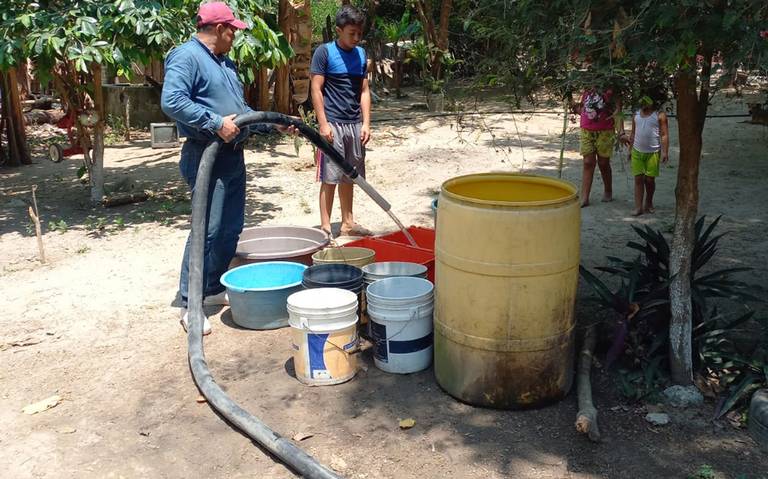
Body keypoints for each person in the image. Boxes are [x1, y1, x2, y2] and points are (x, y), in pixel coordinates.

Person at [161, 2, 294, 335]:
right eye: (232, 29)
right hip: (206, 156)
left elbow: (240, 111)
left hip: (232, 157)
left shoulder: (224, 62)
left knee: (230, 228)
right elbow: (172, 100)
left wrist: (271, 123)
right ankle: (189, 303)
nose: (235, 35)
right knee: (207, 230)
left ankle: (210, 288)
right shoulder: (187, 57)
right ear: (219, 29)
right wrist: (214, 122)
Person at [311, 5, 372, 237]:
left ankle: (348, 223)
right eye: (351, 33)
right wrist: (323, 124)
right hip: (333, 125)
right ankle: (325, 228)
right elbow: (316, 90)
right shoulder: (324, 53)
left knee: (351, 175)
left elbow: (364, 91)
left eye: (359, 33)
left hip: (355, 125)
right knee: (330, 177)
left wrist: (366, 123)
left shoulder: (361, 55)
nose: (356, 38)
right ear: (339, 30)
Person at [575, 87, 625, 207]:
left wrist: (621, 132)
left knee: (603, 163)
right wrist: (571, 102)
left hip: (605, 130)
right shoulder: (587, 86)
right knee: (588, 162)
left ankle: (608, 190)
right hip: (586, 129)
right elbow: (583, 108)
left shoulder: (611, 86)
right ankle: (585, 196)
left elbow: (618, 111)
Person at [626, 95, 669, 216]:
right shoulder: (636, 115)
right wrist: (630, 150)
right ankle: (638, 207)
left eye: (646, 101)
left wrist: (665, 151)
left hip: (653, 153)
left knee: (650, 180)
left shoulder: (659, 116)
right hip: (637, 152)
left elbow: (664, 134)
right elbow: (633, 133)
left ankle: (648, 202)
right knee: (638, 179)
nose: (643, 104)